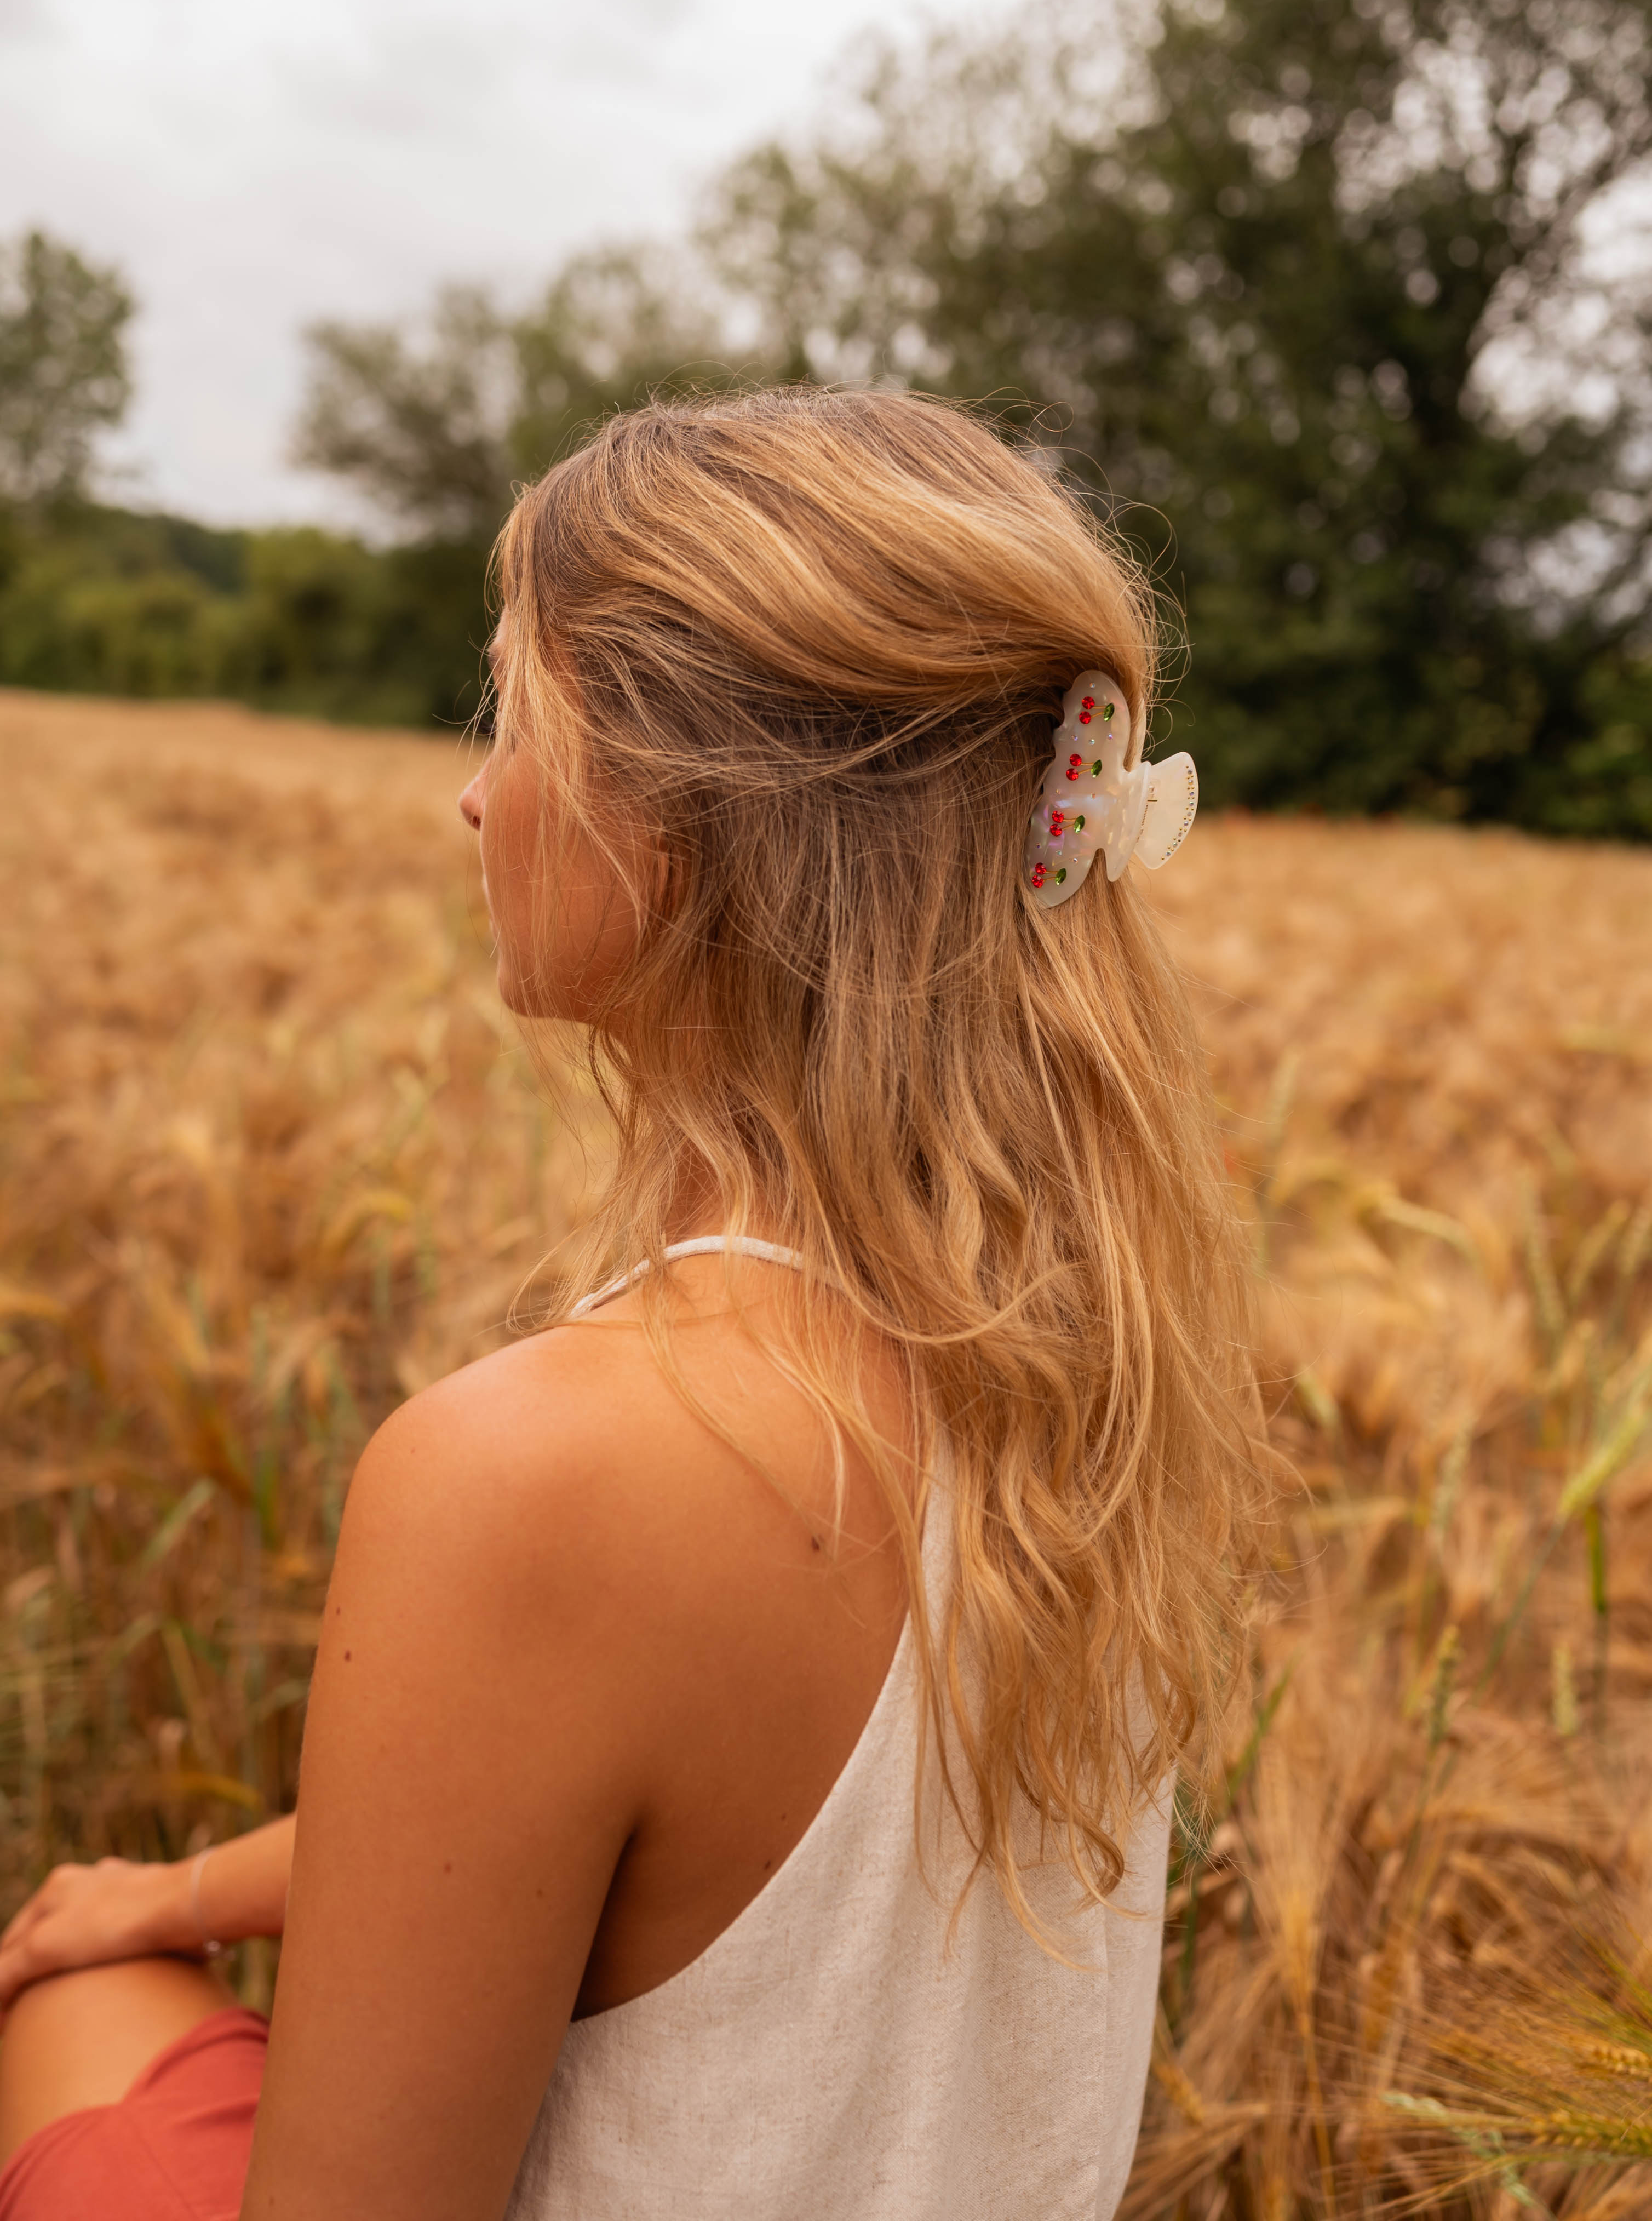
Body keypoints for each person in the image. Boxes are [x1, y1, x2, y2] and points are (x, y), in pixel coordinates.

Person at [0, 387, 1258, 2220]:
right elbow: (655, 1833)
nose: (472, 788)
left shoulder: (541, 1474)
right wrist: (185, 1895)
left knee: (78, 2011)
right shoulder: (1097, 1378)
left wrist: (130, 1934)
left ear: (677, 810)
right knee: (125, 1951)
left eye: (512, 705)